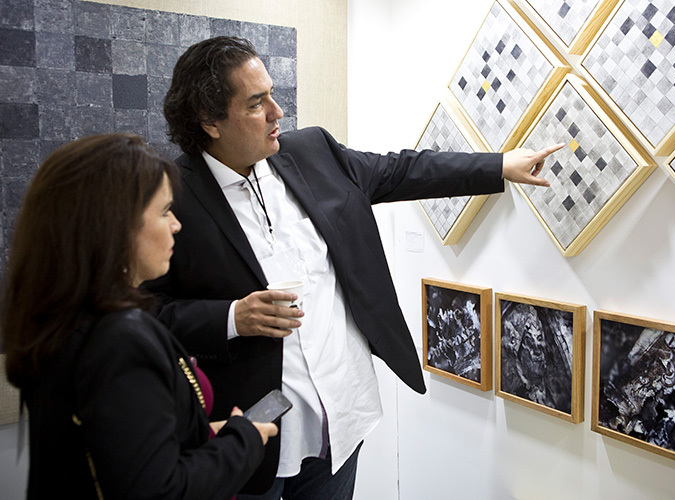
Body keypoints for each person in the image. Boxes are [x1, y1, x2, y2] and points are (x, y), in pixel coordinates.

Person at [147, 36, 563, 499]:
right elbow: (146, 312)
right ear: (210, 123)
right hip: (247, 431)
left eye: (272, 93)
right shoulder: (171, 197)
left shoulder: (311, 151)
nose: (277, 112)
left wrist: (500, 165)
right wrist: (230, 319)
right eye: (256, 103)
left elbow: (400, 171)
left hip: (339, 416)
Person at [1, 133, 278, 499]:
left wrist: (202, 433)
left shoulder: (62, 317)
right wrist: (243, 440)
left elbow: (121, 451)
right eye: (164, 211)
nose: (177, 224)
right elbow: (160, 491)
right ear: (114, 227)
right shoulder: (120, 340)